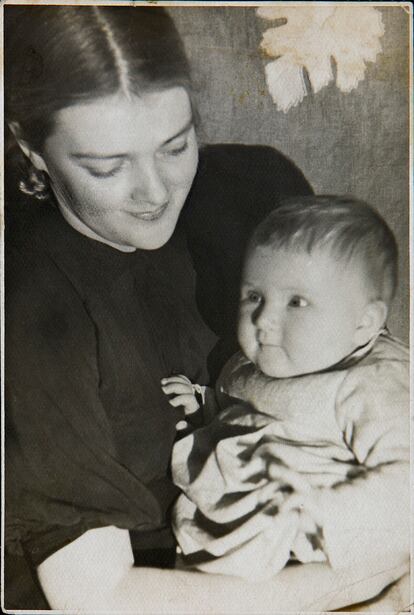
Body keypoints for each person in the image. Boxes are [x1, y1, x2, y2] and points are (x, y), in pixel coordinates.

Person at [4, 6, 407, 612]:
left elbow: (371, 382)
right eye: (107, 166)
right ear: (30, 148)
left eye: (176, 144)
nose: (156, 193)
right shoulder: (25, 298)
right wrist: (362, 585)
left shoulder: (256, 191)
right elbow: (96, 595)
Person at [164, 197, 409, 581]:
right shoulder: (247, 363)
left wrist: (325, 512)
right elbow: (242, 408)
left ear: (364, 323)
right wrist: (204, 404)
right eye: (254, 296)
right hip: (222, 548)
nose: (264, 318)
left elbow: (406, 481)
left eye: (297, 301)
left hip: (316, 559)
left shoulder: (374, 383)